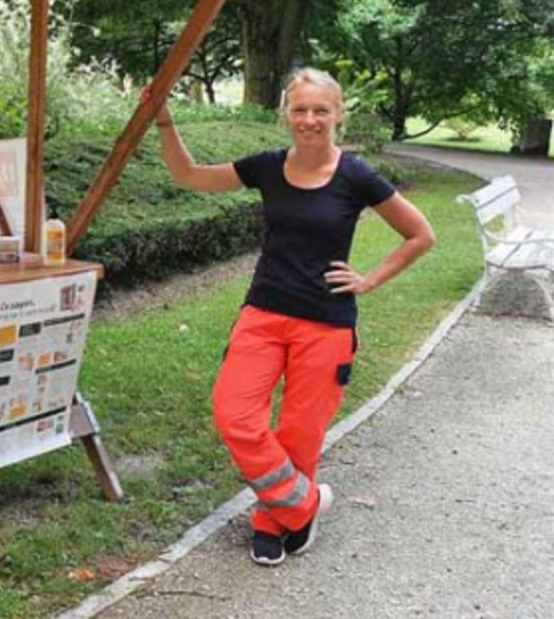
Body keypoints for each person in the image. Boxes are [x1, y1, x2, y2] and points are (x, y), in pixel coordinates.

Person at [145, 68, 435, 566]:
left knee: (300, 434)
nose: (310, 119)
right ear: (286, 115)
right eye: (300, 109)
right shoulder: (267, 167)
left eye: (321, 110)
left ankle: (271, 521)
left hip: (326, 324)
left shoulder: (355, 175)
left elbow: (420, 234)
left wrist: (369, 280)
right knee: (235, 415)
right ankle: (304, 504)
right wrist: (164, 121)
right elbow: (189, 176)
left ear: (338, 115)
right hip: (263, 314)